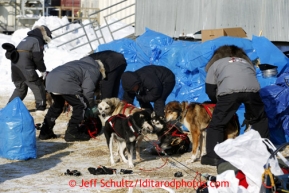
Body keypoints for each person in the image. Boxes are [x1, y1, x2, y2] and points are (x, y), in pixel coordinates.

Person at [201, 45, 270, 166]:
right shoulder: (246, 62)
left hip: (229, 92)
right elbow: (250, 79)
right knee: (259, 120)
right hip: (253, 91)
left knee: (217, 124)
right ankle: (264, 152)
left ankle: (213, 156)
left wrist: (217, 102)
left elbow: (210, 89)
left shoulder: (215, 64)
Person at [38, 58, 106, 142]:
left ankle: (45, 132)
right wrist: (91, 107)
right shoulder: (94, 71)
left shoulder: (78, 63)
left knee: (57, 105)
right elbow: (88, 92)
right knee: (81, 105)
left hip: (50, 79)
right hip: (64, 81)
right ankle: (72, 132)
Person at [5, 25, 52, 111]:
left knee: (21, 89)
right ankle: (40, 107)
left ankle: (9, 108)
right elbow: (38, 58)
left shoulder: (27, 38)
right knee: (37, 85)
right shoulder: (37, 40)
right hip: (25, 67)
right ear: (45, 35)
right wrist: (43, 70)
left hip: (15, 66)